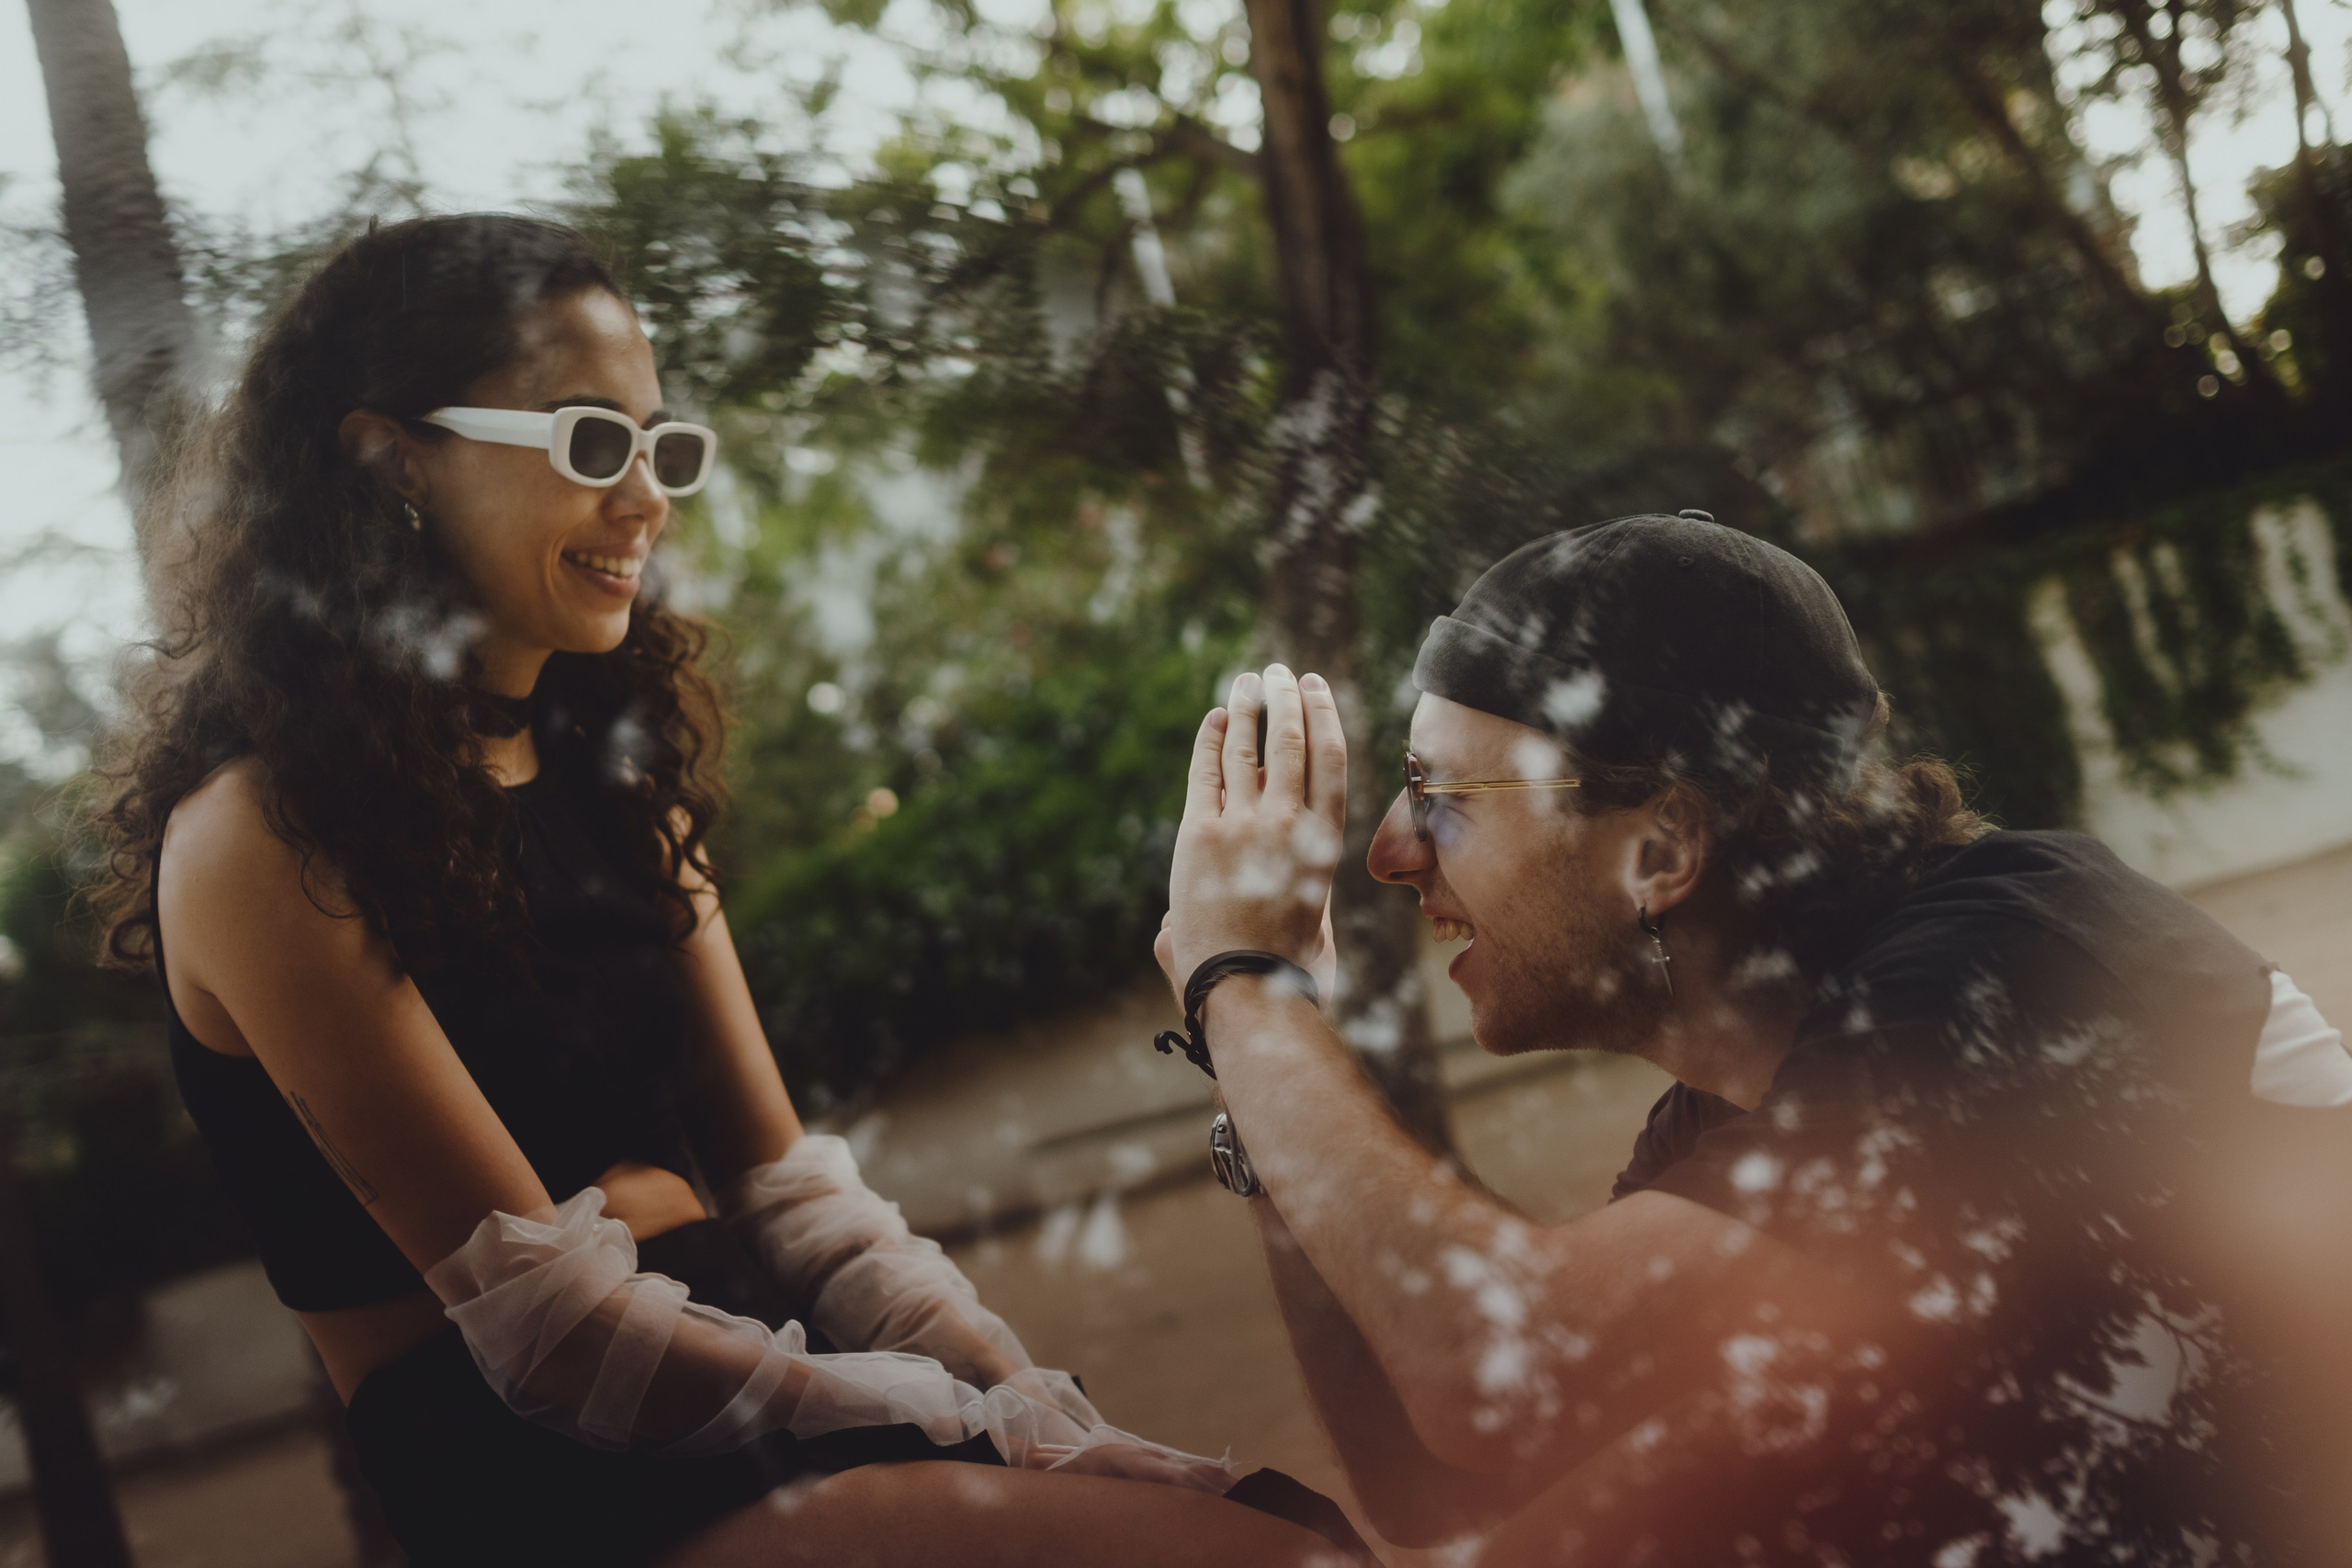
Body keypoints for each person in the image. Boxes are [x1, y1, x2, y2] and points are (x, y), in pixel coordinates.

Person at [87, 214, 1369, 1568]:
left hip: (768, 1368)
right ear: (391, 461)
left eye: (662, 446)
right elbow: (553, 1337)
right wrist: (963, 1423)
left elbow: (789, 1193)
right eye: (592, 443)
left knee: (1274, 1524)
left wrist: (1034, 1404)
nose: (647, 496)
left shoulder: (614, 772)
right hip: (561, 1479)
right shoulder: (261, 839)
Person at [1156, 513, 2352, 1563]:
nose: (1386, 853)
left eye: (1441, 796)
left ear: (1663, 847)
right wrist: (1255, 1085)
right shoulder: (1738, 1114)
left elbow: (1503, 1374)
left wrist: (1245, 992)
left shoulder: (2019, 971)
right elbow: (1449, 1483)